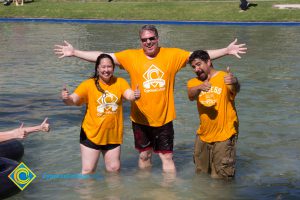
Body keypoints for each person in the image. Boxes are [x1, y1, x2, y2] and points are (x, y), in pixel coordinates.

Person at [54, 24, 247, 173]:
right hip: (140, 119)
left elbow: (200, 56)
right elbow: (103, 57)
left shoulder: (172, 55)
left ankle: (168, 193)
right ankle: (145, 191)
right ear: (140, 41)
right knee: (144, 156)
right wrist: (74, 53)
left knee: (167, 159)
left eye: (151, 38)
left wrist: (226, 50)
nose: (148, 42)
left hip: (164, 119)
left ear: (157, 38)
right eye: (144, 39)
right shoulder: (130, 56)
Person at [61, 54, 140, 174]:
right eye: (103, 67)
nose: (106, 70)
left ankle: (111, 193)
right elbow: (74, 100)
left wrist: (134, 96)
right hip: (91, 134)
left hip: (112, 135)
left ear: (113, 68)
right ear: (97, 68)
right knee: (88, 170)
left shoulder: (120, 82)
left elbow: (128, 94)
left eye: (109, 67)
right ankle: (87, 193)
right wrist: (66, 98)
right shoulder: (88, 84)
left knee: (114, 170)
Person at [187, 50, 240, 179]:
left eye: (199, 64)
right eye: (194, 67)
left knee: (221, 178)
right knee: (200, 174)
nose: (196, 69)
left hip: (224, 135)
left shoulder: (224, 78)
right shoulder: (194, 82)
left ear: (209, 62)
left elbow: (236, 89)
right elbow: (190, 95)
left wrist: (234, 81)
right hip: (203, 136)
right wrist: (200, 87)